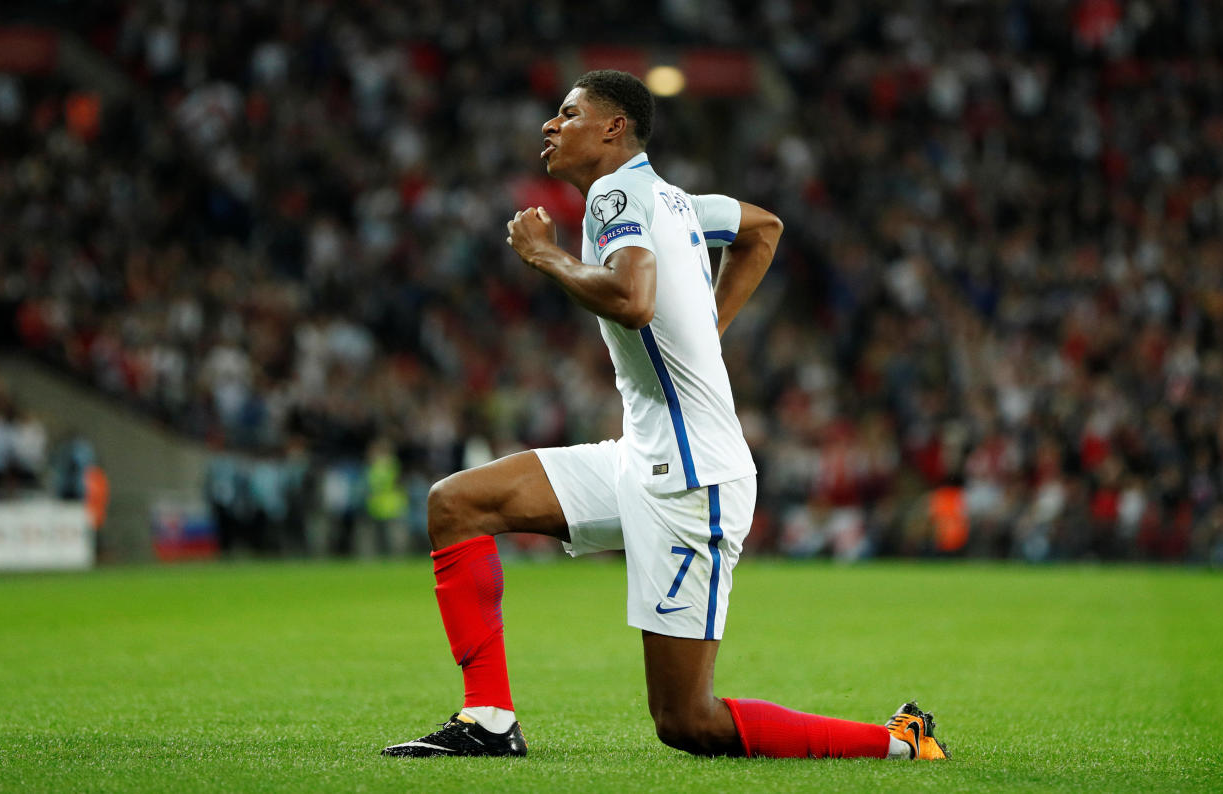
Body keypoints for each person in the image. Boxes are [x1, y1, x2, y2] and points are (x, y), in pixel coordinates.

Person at [381, 70, 949, 762]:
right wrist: (710, 325)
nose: (549, 126)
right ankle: (488, 720)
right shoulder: (675, 202)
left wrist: (545, 255)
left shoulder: (615, 194)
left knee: (687, 721)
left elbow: (632, 297)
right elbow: (762, 229)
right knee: (458, 505)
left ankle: (899, 742)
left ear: (614, 128)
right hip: (640, 459)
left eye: (568, 113)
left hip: (691, 483)